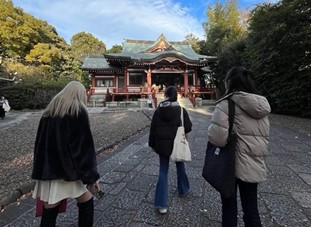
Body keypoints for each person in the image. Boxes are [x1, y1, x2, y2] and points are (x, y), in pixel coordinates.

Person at [207, 66, 271, 227]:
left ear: (229, 82)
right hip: (254, 162)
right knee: (251, 209)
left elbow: (218, 139)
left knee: (229, 208)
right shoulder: (262, 107)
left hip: (231, 164)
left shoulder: (226, 104)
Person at [31, 81, 100, 227]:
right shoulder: (77, 112)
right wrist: (91, 177)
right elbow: (82, 149)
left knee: (49, 212)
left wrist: (39, 169)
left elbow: (38, 145)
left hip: (49, 172)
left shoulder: (49, 113)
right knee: (86, 202)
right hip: (68, 172)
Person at [149, 86, 192, 214]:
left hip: (162, 145)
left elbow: (153, 129)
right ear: (176, 96)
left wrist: (152, 145)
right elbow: (188, 127)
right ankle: (183, 190)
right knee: (180, 166)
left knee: (163, 171)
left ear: (165, 96)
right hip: (177, 143)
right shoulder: (181, 110)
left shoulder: (158, 111)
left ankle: (162, 204)